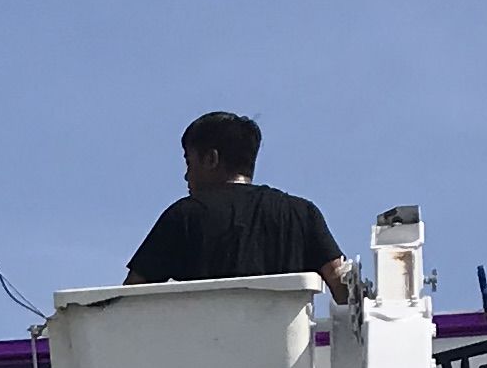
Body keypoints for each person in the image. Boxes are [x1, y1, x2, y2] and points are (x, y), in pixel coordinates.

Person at [124, 111, 357, 298]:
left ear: (211, 159)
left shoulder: (183, 216)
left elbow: (129, 301)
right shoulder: (302, 214)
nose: (186, 176)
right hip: (286, 355)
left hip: (201, 353)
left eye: (189, 163)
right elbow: (344, 289)